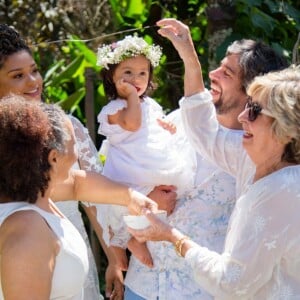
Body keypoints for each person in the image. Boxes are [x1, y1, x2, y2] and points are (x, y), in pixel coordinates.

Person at [0, 23, 176, 299]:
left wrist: (129, 199)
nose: (34, 81)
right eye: (18, 75)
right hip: (25, 260)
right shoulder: (24, 227)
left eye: (34, 70)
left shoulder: (60, 126)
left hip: (68, 257)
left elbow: (77, 186)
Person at [129, 19, 300, 299]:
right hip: (146, 284)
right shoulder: (248, 154)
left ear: (284, 128)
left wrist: (172, 236)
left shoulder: (279, 189)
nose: (245, 116)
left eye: (255, 111)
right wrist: (188, 55)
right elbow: (202, 128)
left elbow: (232, 281)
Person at [0, 96, 158, 299]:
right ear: (54, 158)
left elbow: (78, 185)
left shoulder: (33, 191)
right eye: (74, 138)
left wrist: (130, 197)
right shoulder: (27, 231)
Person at [96, 34, 194, 271]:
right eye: (127, 73)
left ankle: (142, 235)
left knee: (168, 197)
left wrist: (167, 126)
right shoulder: (113, 109)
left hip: (152, 162)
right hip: (129, 170)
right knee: (125, 205)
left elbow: (154, 124)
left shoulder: (150, 104)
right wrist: (130, 97)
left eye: (142, 73)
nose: (135, 79)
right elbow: (132, 124)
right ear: (112, 76)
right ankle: (130, 240)